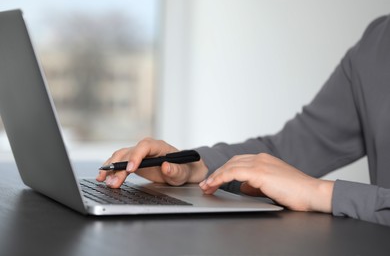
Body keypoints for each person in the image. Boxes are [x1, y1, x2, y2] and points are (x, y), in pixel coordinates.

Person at [97, 14, 390, 226]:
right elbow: (289, 151)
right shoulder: (378, 43)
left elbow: (300, 184)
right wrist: (196, 167)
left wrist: (320, 192)